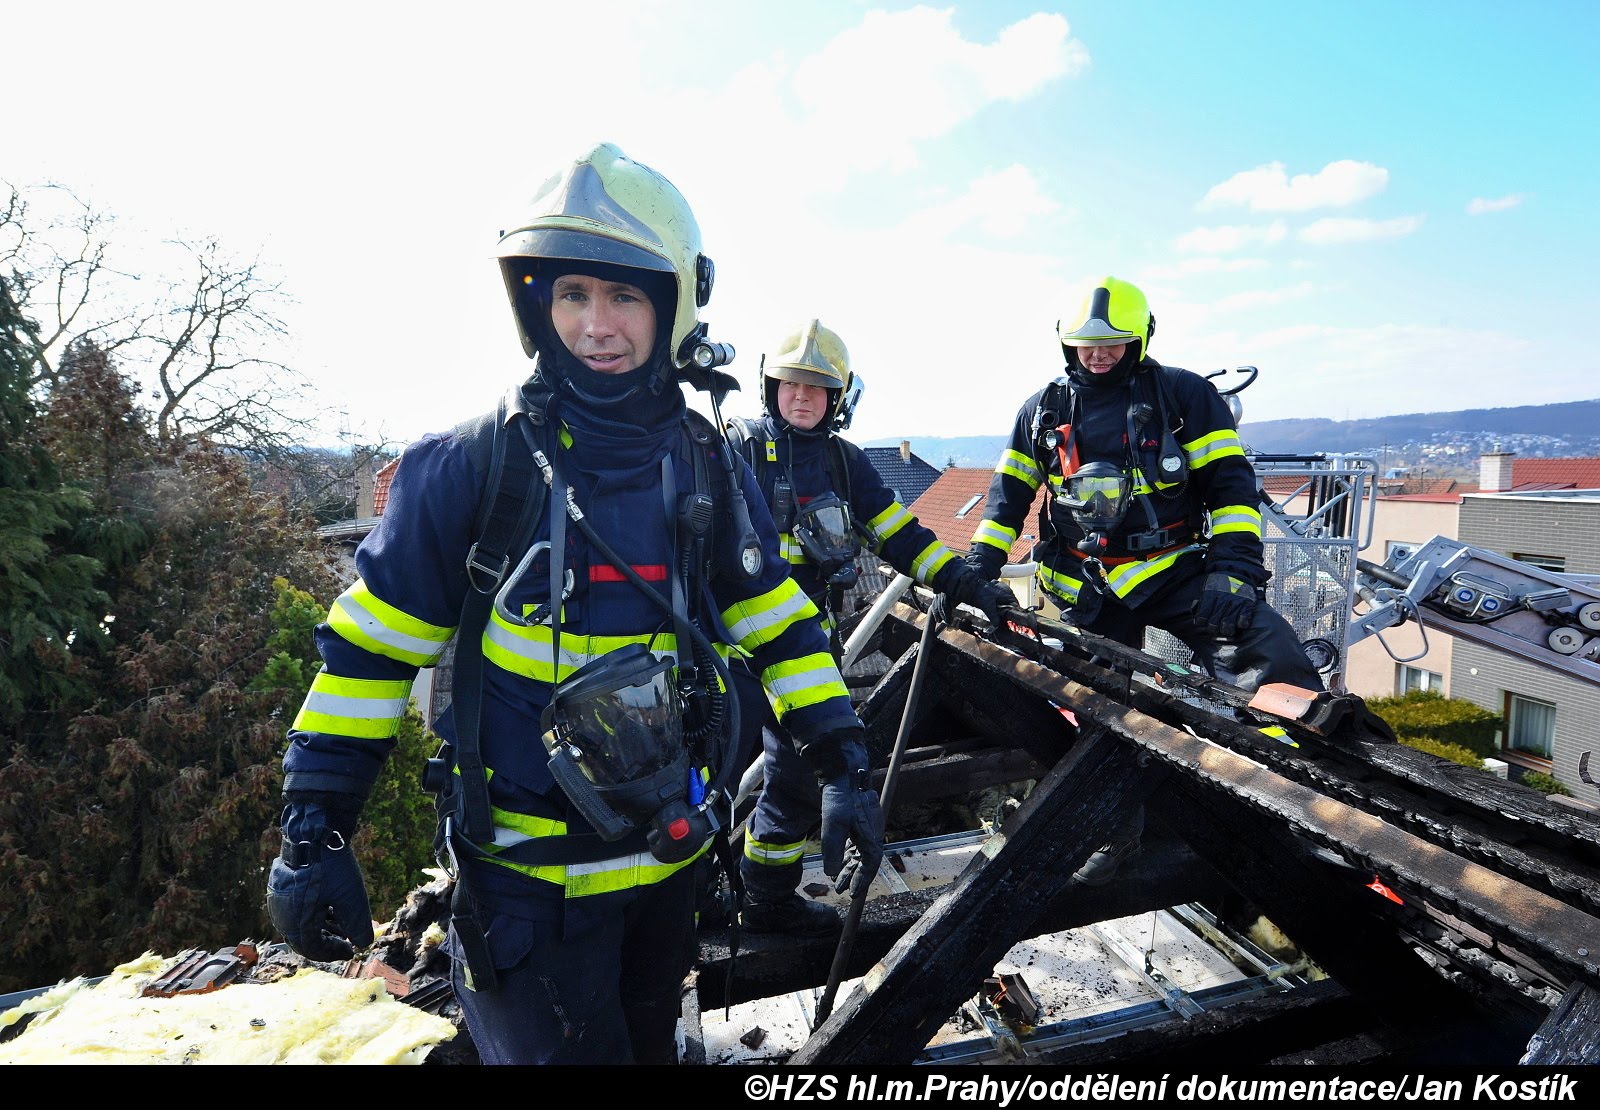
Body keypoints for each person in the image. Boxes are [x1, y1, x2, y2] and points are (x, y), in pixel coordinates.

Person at [264, 144, 883, 1064]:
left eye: (625, 295)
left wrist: (841, 758)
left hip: (668, 868)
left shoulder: (703, 462)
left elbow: (774, 619)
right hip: (527, 891)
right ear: (536, 308)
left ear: (672, 307)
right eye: (572, 295)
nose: (597, 325)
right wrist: (314, 824)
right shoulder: (470, 465)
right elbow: (371, 655)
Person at [964, 276, 1324, 885]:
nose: (1098, 354)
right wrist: (977, 568)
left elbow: (1232, 488)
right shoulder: (1043, 410)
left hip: (1175, 569)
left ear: (1141, 339)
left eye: (1113, 343)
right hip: (1085, 583)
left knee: (1267, 649)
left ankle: (1305, 805)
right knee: (1094, 709)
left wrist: (1234, 571)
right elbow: (1007, 501)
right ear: (1065, 342)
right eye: (1085, 344)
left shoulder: (1183, 396)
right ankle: (1114, 832)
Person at [725, 319, 1013, 935]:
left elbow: (901, 537)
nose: (801, 396)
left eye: (815, 386)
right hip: (728, 657)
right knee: (708, 782)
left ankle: (767, 900)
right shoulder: (733, 451)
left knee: (798, 781)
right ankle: (696, 903)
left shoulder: (844, 464)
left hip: (806, 653)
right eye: (790, 383)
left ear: (838, 398)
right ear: (770, 387)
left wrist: (966, 582)